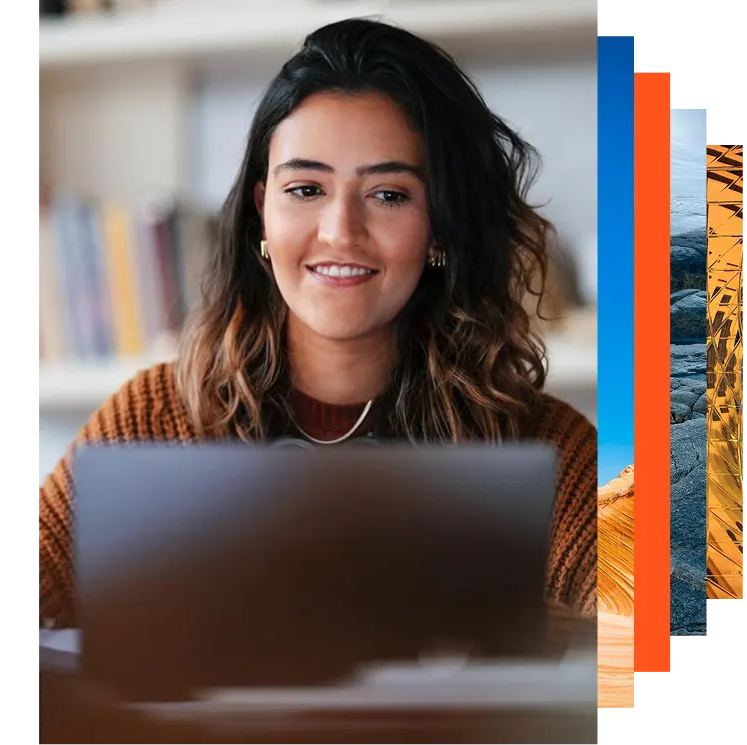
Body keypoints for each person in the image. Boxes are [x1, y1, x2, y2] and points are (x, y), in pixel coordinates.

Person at [38, 18, 597, 635]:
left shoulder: (542, 450)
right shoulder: (152, 423)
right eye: (305, 188)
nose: (339, 232)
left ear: (440, 226)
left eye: (388, 195)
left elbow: (677, 644)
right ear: (261, 215)